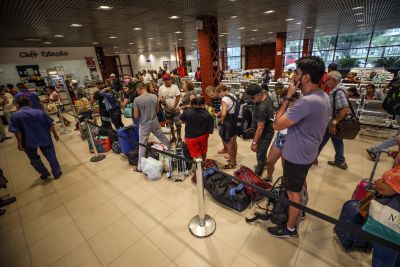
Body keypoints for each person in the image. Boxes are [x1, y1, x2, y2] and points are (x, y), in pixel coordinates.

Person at [267, 56, 331, 238]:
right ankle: (300, 212)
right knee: (301, 184)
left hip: (297, 156)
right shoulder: (323, 96)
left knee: (293, 193)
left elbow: (277, 124)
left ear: (305, 78)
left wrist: (287, 96)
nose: (293, 77)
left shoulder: (306, 102)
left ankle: (290, 228)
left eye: (296, 73)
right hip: (308, 152)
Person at [8, 96, 62, 180]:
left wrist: (19, 143)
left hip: (28, 140)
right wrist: (55, 134)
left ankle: (44, 173)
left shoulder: (15, 116)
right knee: (51, 155)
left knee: (34, 158)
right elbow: (50, 125)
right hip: (44, 137)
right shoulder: (39, 112)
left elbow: (17, 131)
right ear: (30, 103)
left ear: (18, 105)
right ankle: (57, 172)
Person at [316, 71, 351, 169]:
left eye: (326, 80)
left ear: (333, 80)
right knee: (337, 141)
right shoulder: (339, 89)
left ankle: (312, 158)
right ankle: (340, 161)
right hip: (334, 122)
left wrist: (334, 123)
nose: (325, 83)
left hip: (333, 123)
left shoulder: (338, 91)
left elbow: (344, 110)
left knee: (321, 140)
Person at [133, 83, 171, 172]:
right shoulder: (154, 96)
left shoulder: (137, 100)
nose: (137, 91)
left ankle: (140, 167)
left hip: (144, 124)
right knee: (162, 137)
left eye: (137, 90)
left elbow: (136, 115)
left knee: (142, 144)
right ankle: (171, 152)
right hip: (154, 122)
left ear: (140, 88)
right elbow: (157, 110)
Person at [266, 90, 299, 182]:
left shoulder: (298, 111)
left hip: (290, 140)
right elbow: (275, 125)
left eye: (292, 100)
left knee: (285, 167)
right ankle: (269, 177)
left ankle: (285, 184)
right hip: (280, 137)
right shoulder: (282, 109)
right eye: (286, 99)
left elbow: (276, 125)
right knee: (269, 162)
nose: (289, 102)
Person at [246, 84, 275, 177]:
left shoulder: (261, 108)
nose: (251, 100)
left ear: (259, 95)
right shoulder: (265, 93)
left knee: (260, 153)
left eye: (252, 98)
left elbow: (260, 127)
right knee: (263, 151)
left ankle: (258, 173)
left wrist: (254, 142)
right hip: (267, 127)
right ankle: (263, 164)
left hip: (265, 133)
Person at [217, 84, 238, 169]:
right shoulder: (233, 95)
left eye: (219, 93)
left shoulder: (224, 98)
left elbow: (224, 112)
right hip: (235, 120)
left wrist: (221, 120)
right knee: (234, 142)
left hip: (228, 122)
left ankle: (232, 163)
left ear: (222, 91)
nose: (219, 95)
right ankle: (234, 160)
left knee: (229, 143)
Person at [158, 74, 182, 143]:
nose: (167, 81)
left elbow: (178, 96)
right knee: (170, 125)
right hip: (167, 111)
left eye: (169, 79)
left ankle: (179, 137)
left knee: (178, 125)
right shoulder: (161, 88)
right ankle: (173, 137)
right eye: (165, 80)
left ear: (171, 80)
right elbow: (160, 98)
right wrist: (166, 106)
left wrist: (174, 106)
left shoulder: (175, 87)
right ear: (163, 81)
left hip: (176, 110)